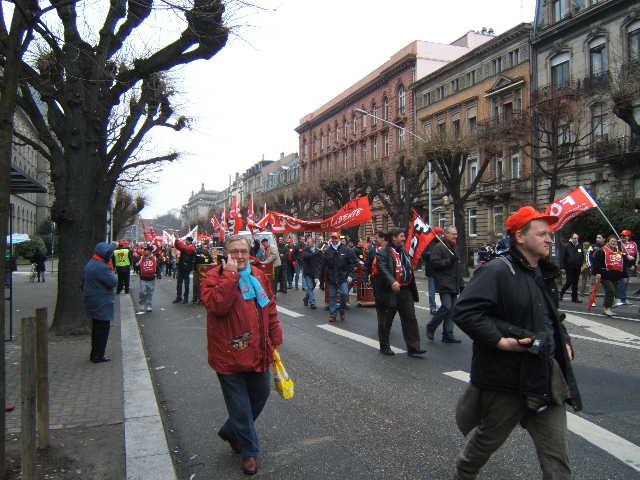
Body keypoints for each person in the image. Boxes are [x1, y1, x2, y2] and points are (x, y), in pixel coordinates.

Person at [452, 206, 582, 480]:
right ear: (520, 237)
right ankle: (465, 471)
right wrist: (500, 341)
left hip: (545, 376)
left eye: (550, 234)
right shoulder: (497, 270)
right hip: (508, 380)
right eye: (542, 233)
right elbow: (465, 312)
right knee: (487, 441)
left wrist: (564, 339)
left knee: (557, 461)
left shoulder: (544, 272)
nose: (549, 239)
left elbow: (551, 315)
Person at [200, 235, 283, 476]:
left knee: (261, 394)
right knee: (240, 407)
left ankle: (230, 431)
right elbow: (217, 305)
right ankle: (249, 452)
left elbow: (270, 306)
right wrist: (231, 276)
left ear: (249, 252)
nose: (239, 256)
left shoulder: (258, 275)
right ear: (226, 254)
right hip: (229, 355)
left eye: (243, 251)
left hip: (258, 350)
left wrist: (275, 332)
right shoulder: (214, 277)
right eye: (234, 252)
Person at [373, 229, 426, 357]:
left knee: (410, 318)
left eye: (404, 236)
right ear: (393, 237)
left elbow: (408, 268)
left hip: (405, 290)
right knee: (386, 320)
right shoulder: (383, 252)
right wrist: (392, 281)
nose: (404, 238)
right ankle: (384, 346)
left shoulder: (404, 252)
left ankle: (414, 347)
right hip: (389, 291)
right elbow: (382, 268)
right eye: (401, 236)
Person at [426, 226, 463, 343]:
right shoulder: (439, 247)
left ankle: (448, 334)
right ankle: (431, 326)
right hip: (444, 283)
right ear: (446, 234)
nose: (455, 236)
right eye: (453, 234)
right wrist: (449, 261)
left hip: (454, 283)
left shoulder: (454, 247)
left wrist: (461, 283)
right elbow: (434, 263)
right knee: (446, 306)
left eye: (456, 234)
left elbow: (458, 268)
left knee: (452, 310)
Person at [84, 242, 118, 363]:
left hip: (94, 300)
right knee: (102, 330)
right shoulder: (101, 267)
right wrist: (110, 268)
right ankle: (98, 355)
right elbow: (113, 281)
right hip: (101, 302)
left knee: (97, 328)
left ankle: (95, 353)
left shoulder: (93, 263)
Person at [321, 232, 358, 322]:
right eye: (332, 238)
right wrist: (320, 279)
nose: (334, 240)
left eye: (336, 238)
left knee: (344, 294)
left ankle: (341, 310)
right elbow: (323, 265)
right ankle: (333, 314)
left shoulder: (346, 250)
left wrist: (350, 275)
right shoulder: (328, 250)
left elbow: (352, 263)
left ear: (339, 239)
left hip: (343, 277)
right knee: (332, 296)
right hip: (332, 278)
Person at [593, 234, 626, 317]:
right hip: (605, 275)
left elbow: (621, 264)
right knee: (610, 290)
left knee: (614, 292)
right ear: (608, 241)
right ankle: (606, 309)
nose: (614, 242)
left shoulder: (618, 252)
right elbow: (597, 263)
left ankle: (609, 307)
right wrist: (598, 273)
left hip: (615, 276)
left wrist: (624, 275)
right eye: (612, 241)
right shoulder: (602, 251)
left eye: (615, 241)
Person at [422, 227, 444, 316]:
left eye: (441, 234)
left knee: (442, 290)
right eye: (439, 234)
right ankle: (433, 307)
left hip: (441, 270)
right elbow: (424, 254)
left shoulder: (443, 243)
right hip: (431, 270)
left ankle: (443, 307)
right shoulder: (428, 243)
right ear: (435, 234)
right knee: (432, 290)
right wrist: (432, 254)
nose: (441, 236)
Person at [300, 237, 323, 309]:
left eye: (309, 242)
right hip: (307, 272)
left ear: (313, 243)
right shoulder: (305, 250)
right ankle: (312, 302)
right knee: (310, 287)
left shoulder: (317, 251)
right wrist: (315, 253)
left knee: (312, 287)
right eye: (307, 242)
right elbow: (305, 256)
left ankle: (306, 298)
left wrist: (322, 252)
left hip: (315, 273)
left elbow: (321, 260)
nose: (307, 243)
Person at [616, 229, 637, 306]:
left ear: (629, 236)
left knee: (626, 283)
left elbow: (635, 255)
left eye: (625, 236)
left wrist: (633, 265)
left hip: (629, 266)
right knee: (622, 282)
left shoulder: (633, 244)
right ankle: (619, 298)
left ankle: (623, 298)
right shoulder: (618, 243)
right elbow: (617, 253)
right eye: (622, 235)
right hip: (620, 265)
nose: (623, 237)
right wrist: (626, 255)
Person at [559, 233, 583, 303]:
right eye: (574, 238)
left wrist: (581, 264)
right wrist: (562, 267)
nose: (576, 239)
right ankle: (561, 293)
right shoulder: (567, 246)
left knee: (575, 283)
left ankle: (574, 298)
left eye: (577, 238)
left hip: (577, 267)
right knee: (569, 281)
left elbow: (582, 255)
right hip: (569, 267)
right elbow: (562, 257)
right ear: (571, 238)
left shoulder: (579, 246)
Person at [174, 237, 195, 304]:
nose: (185, 242)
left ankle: (185, 298)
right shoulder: (186, 247)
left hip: (187, 268)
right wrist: (176, 240)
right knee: (179, 283)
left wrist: (177, 240)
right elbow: (177, 246)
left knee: (186, 284)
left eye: (186, 241)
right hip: (181, 267)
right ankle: (179, 297)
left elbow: (182, 247)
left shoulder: (192, 248)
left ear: (190, 241)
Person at [138, 245, 158, 312]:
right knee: (142, 292)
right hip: (143, 278)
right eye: (145, 250)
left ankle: (149, 305)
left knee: (150, 293)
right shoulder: (142, 258)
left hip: (151, 278)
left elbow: (156, 266)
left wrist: (158, 273)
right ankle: (142, 304)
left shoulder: (154, 258)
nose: (145, 251)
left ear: (150, 251)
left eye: (147, 250)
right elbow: (138, 264)